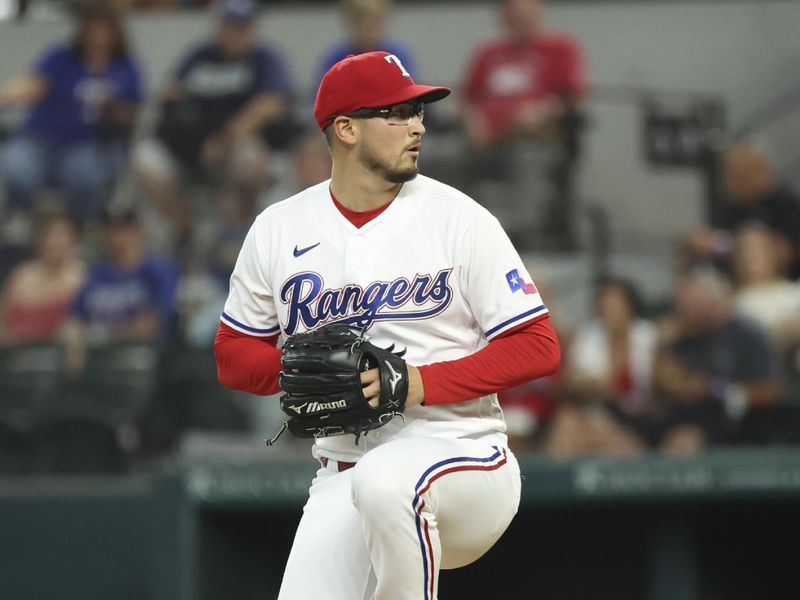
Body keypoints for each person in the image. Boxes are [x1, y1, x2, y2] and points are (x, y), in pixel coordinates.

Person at [214, 51, 560, 599]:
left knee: (386, 483)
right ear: (346, 129)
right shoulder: (278, 229)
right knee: (369, 486)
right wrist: (300, 370)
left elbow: (538, 347)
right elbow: (232, 356)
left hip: (462, 454)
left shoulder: (461, 220)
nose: (418, 124)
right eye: (396, 113)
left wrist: (416, 381)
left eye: (418, 111)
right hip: (343, 468)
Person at [132, 0, 294, 247]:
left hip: (233, 147)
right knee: (145, 159)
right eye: (230, 24)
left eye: (243, 25)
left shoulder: (263, 59)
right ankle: (183, 228)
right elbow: (171, 97)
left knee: (249, 158)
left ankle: (242, 229)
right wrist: (191, 142)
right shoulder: (199, 56)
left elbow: (270, 104)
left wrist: (224, 139)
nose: (236, 31)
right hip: (193, 147)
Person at [457, 0, 588, 249]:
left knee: (526, 159)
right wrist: (473, 121)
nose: (522, 21)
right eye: (515, 15)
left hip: (537, 139)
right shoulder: (488, 53)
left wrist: (545, 110)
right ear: (504, 17)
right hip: (486, 141)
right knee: (442, 156)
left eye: (527, 14)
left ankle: (516, 242)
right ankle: (453, 234)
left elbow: (574, 96)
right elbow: (466, 99)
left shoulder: (560, 48)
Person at [0, 3, 143, 223]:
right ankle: (21, 221)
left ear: (115, 32)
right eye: (91, 28)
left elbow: (133, 114)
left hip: (90, 143)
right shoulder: (61, 57)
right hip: (41, 139)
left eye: (102, 28)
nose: (96, 36)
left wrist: (112, 107)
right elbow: (33, 85)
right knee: (16, 166)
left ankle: (78, 227)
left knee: (85, 176)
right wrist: (6, 94)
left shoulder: (126, 67)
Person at [652, 268, 782, 454]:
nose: (683, 310)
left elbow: (771, 390)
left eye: (690, 303)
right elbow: (662, 386)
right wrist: (661, 347)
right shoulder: (680, 334)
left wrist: (714, 389)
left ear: (712, 300)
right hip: (676, 417)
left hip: (729, 424)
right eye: (681, 304)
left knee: (683, 443)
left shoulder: (747, 333)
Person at [546, 276, 656, 457]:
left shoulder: (648, 337)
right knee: (568, 423)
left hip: (641, 416)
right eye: (605, 305)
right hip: (600, 413)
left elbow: (655, 386)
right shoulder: (588, 337)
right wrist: (589, 384)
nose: (610, 311)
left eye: (616, 304)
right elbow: (574, 380)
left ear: (629, 306)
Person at [61, 207, 179, 373]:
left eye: (124, 229)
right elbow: (74, 320)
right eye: (111, 229)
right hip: (97, 362)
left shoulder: (158, 270)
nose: (116, 236)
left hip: (142, 361)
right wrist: (74, 336)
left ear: (138, 232)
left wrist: (103, 336)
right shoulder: (97, 274)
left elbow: (151, 325)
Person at [684, 141, 800, 277]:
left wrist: (722, 246)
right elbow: (706, 238)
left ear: (765, 170)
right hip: (734, 288)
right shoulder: (728, 207)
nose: (737, 181)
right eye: (732, 174)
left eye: (745, 172)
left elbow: (784, 252)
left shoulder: (785, 203)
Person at [0, 213, 85, 345]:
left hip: (55, 357)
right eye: (51, 234)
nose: (57, 240)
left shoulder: (81, 276)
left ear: (73, 242)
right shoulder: (21, 274)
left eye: (64, 235)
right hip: (14, 355)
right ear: (40, 240)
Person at [730, 223, 800, 356]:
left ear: (772, 253)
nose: (750, 258)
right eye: (744, 251)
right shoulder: (731, 305)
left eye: (758, 250)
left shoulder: (794, 292)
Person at [315, 0, 415, 87]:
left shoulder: (397, 57)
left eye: (374, 21)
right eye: (359, 21)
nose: (367, 27)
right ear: (348, 22)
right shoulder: (335, 61)